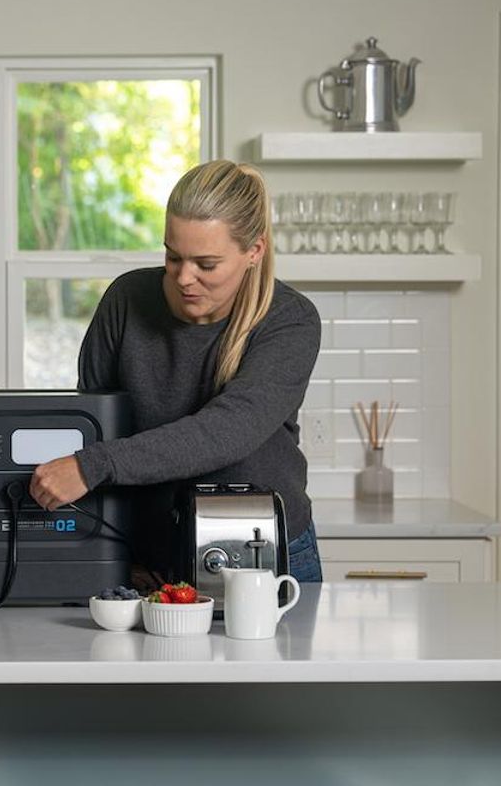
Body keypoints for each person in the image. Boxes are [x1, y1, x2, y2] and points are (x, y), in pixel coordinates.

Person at [28, 159, 323, 582]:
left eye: (206, 264)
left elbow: (228, 430)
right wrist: (112, 549)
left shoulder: (290, 320)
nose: (185, 277)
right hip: (147, 558)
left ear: (254, 251)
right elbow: (95, 424)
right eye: (173, 256)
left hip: (266, 552)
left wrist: (93, 466)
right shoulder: (126, 300)